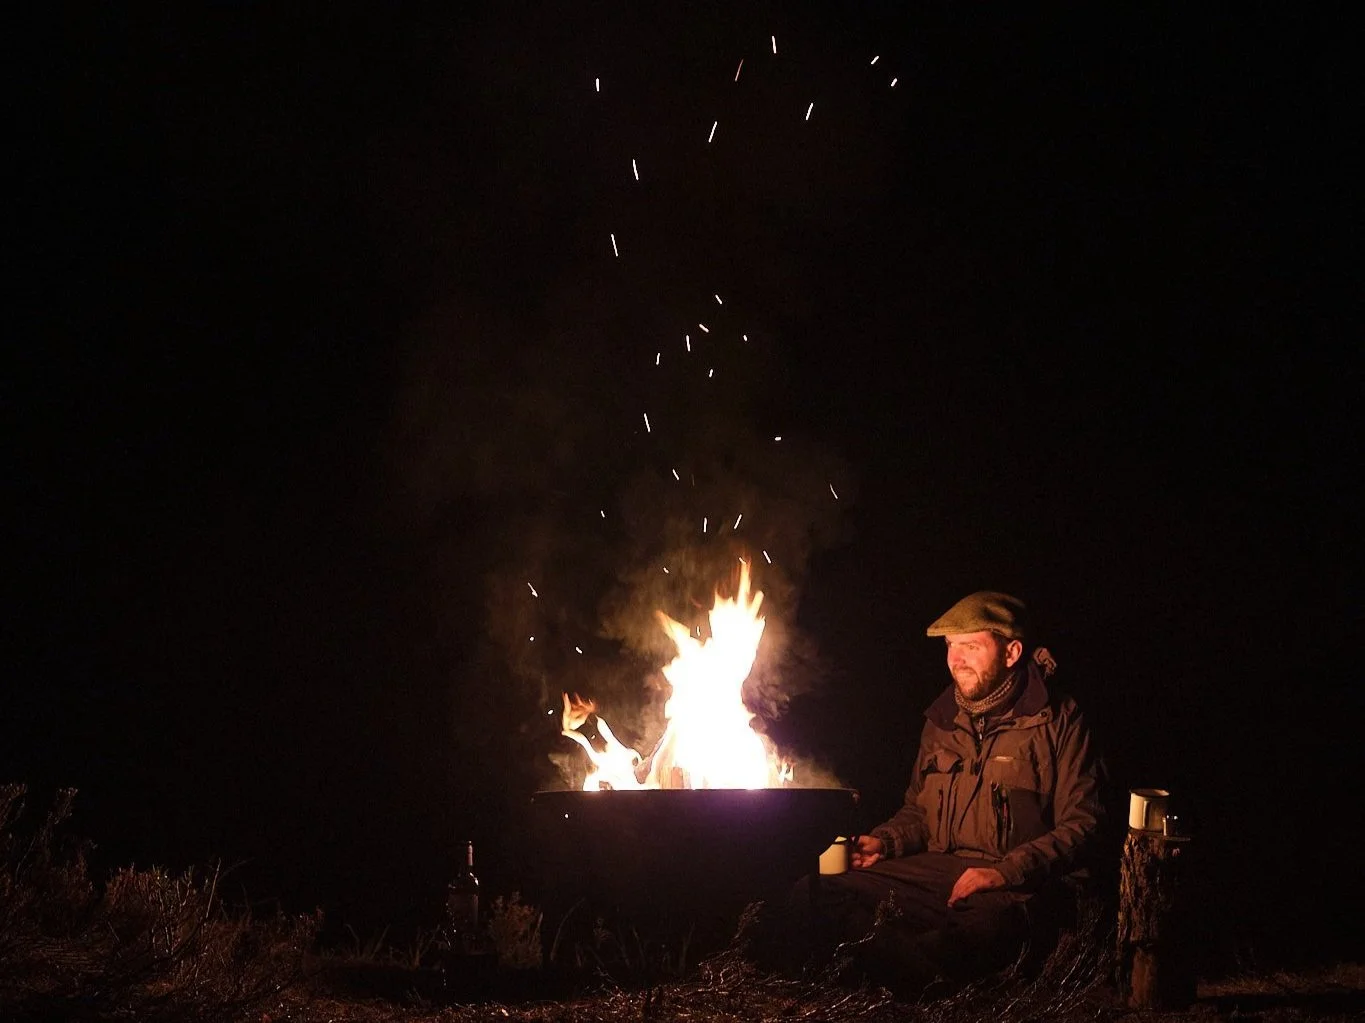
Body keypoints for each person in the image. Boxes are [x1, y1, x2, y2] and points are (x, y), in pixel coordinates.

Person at [790, 591, 1107, 990]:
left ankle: (904, 976)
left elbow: (1085, 823)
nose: (956, 661)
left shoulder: (1059, 720)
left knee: (984, 931)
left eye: (971, 646)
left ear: (1011, 652)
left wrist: (1005, 872)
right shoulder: (942, 720)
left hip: (1018, 883)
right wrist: (885, 843)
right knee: (815, 891)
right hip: (940, 872)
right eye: (950, 647)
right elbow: (919, 812)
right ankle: (914, 973)